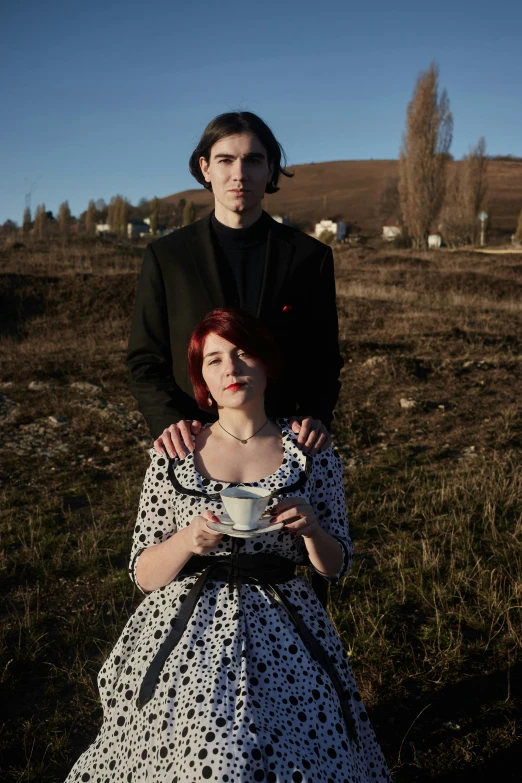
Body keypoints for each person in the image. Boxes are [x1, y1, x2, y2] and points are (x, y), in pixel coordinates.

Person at [65, 308, 390, 783]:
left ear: (267, 365)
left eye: (243, 354)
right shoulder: (174, 454)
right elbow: (143, 574)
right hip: (185, 629)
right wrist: (188, 539)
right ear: (202, 380)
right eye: (214, 360)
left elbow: (336, 567)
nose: (232, 369)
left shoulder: (312, 452)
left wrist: (313, 530)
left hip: (285, 628)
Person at [126, 111, 344, 462]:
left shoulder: (309, 257)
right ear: (206, 168)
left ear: (271, 169)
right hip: (193, 443)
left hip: (284, 445)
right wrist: (170, 421)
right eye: (225, 160)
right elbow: (145, 359)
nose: (239, 174)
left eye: (253, 160)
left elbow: (324, 357)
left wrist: (315, 415)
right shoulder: (168, 256)